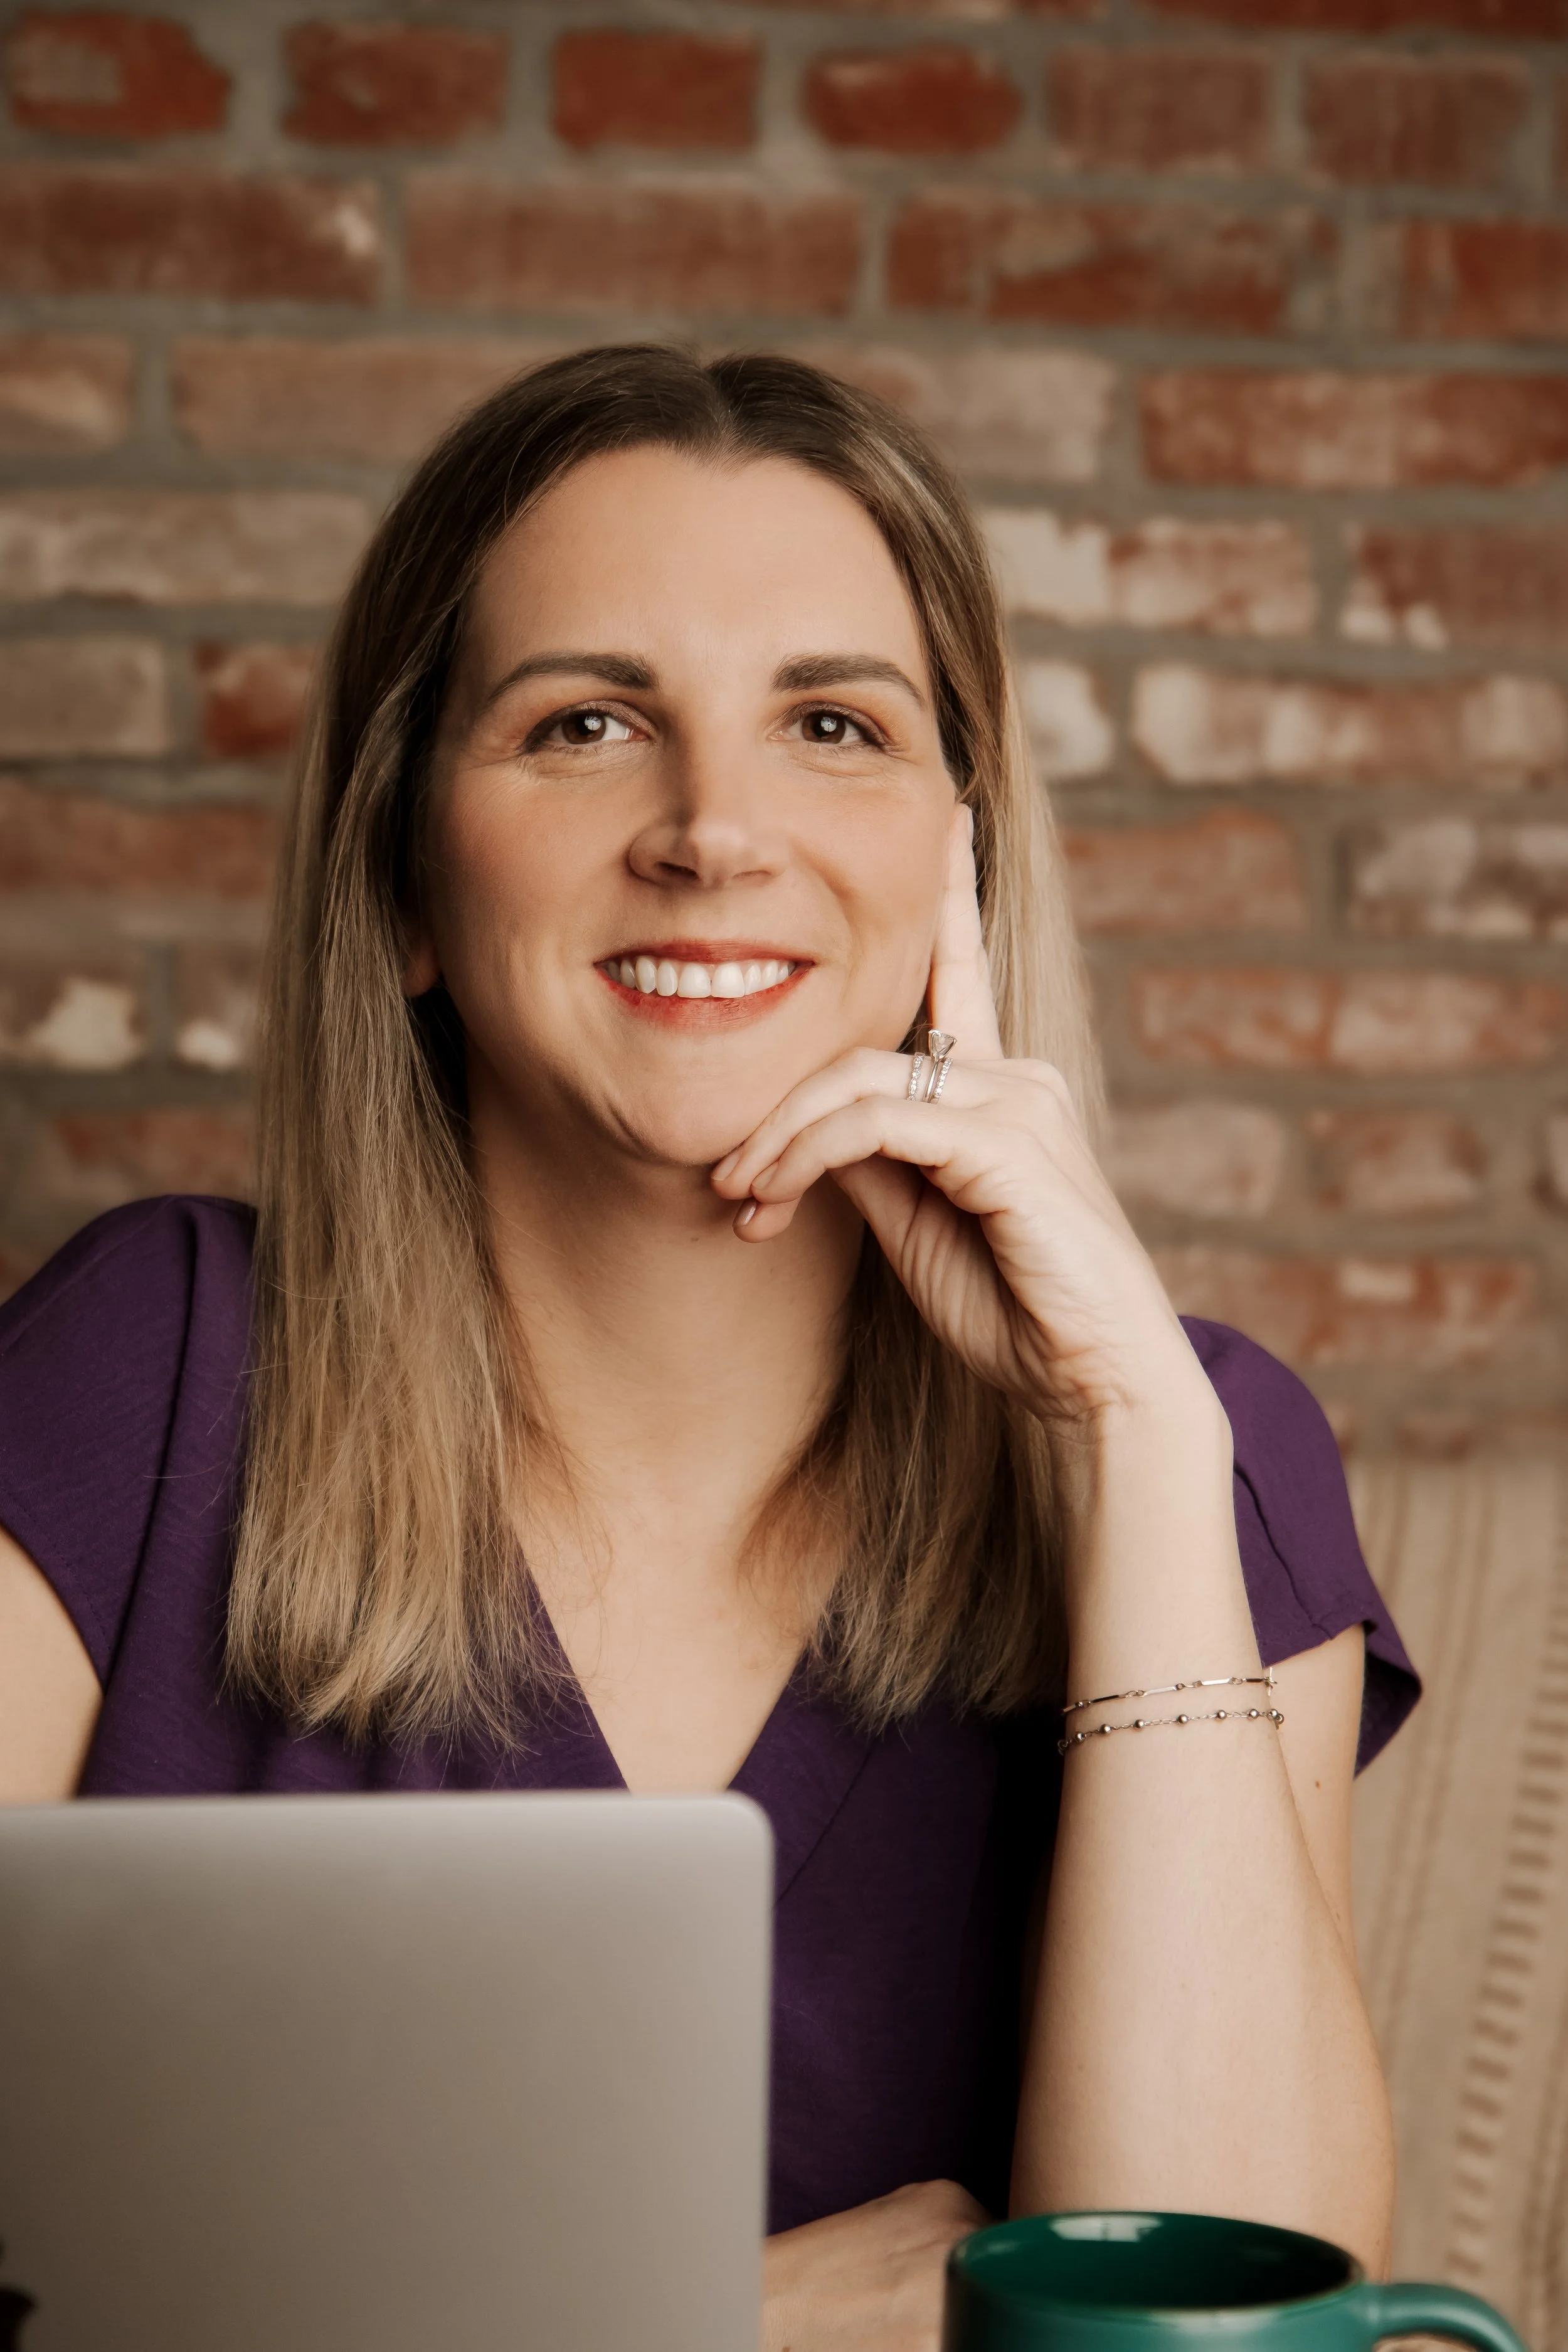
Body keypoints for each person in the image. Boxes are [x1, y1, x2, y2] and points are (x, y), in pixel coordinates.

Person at [0, 347, 1415, 2349]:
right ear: (406, 873)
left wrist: (1129, 1444)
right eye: (585, 723)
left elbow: (1228, 2332)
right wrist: (701, 2324)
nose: (713, 829)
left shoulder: (1199, 1446)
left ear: (961, 866)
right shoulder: (133, 1371)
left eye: (831, 723)